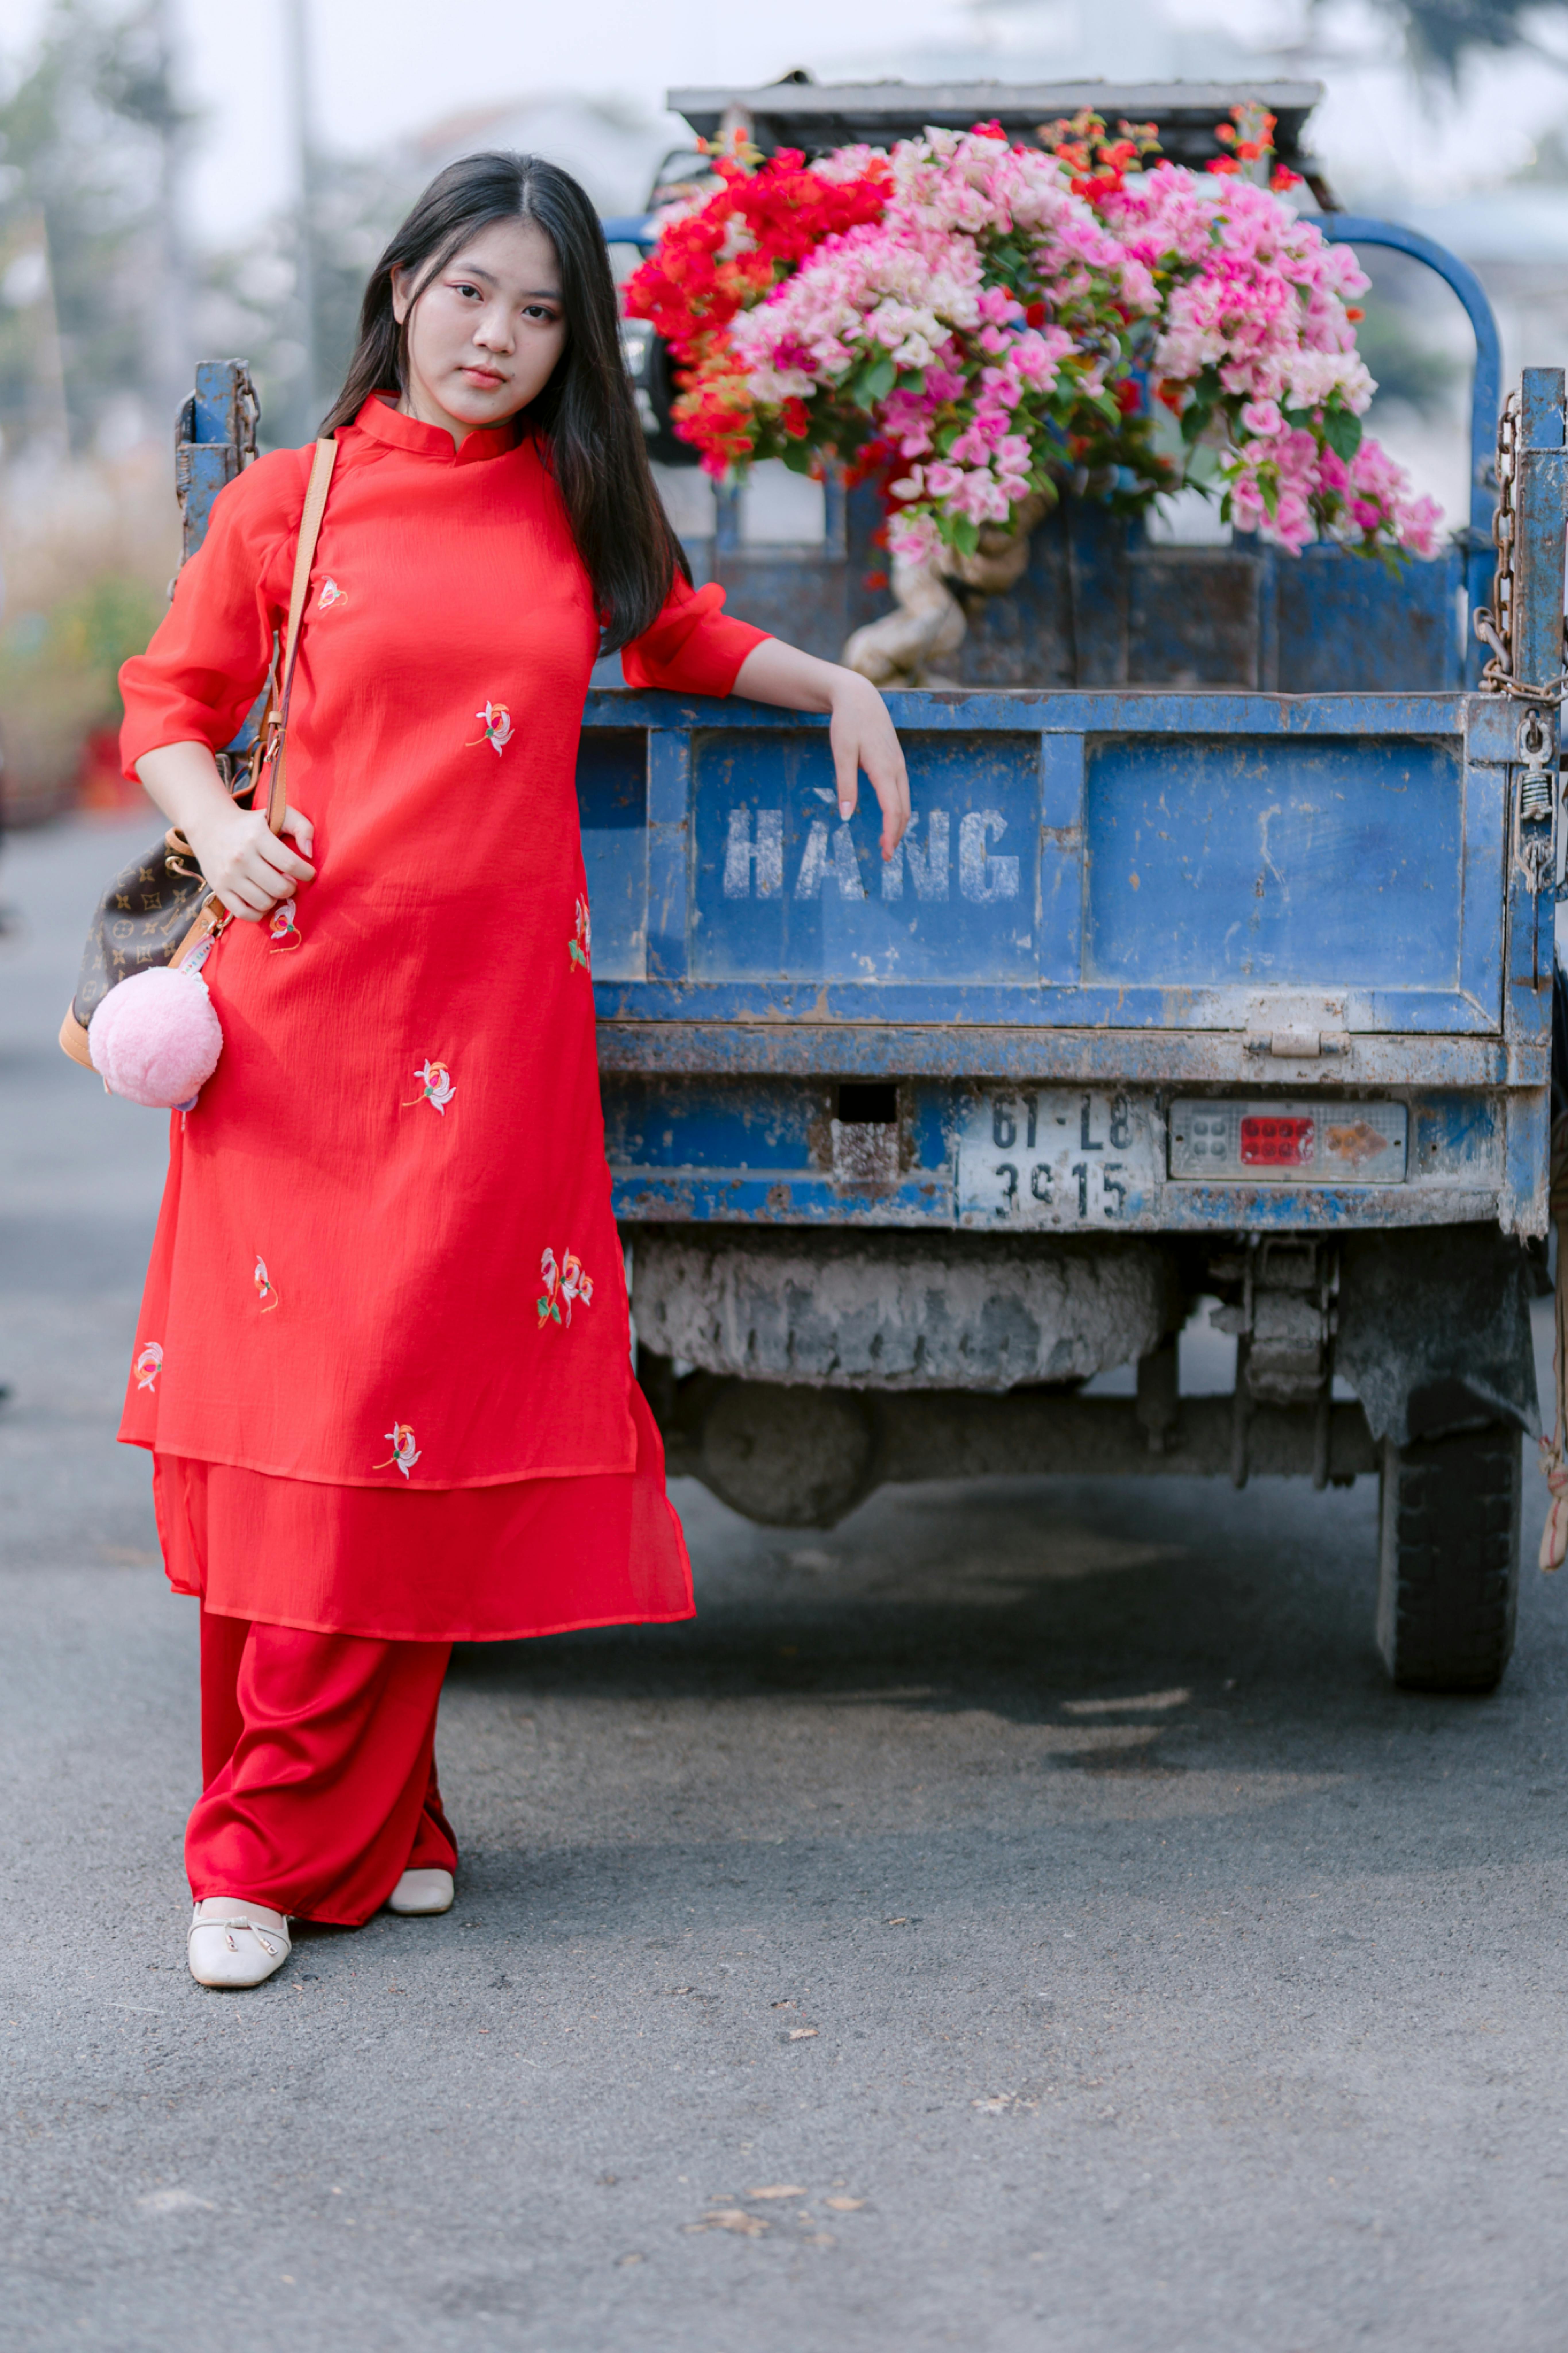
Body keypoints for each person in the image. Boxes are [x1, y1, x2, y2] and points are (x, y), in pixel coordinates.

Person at [119, 152, 909, 1990]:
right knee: (301, 1435)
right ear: (401, 287)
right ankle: (260, 1847)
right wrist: (212, 825)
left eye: (542, 312)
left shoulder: (574, 510)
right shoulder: (288, 501)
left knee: (420, 1415)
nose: (499, 336)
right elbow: (168, 700)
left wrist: (839, 686)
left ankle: (364, 1815)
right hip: (299, 1028)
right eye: (472, 291)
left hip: (493, 1038)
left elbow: (678, 634)